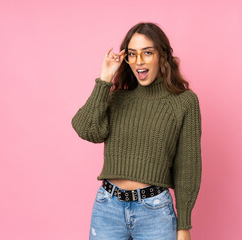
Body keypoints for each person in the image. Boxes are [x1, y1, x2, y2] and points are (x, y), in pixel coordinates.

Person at [71, 22, 202, 240]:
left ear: (162, 56)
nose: (139, 60)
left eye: (147, 53)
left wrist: (184, 225)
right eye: (132, 54)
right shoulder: (116, 98)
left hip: (154, 211)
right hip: (107, 208)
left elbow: (188, 166)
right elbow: (86, 129)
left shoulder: (184, 102)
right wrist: (105, 79)